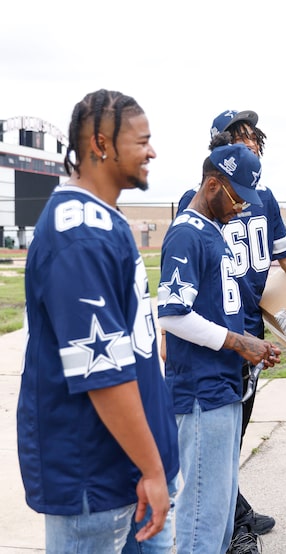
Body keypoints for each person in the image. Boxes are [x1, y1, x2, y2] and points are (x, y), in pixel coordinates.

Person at [17, 89, 179, 551]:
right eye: (141, 141)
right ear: (101, 145)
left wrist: (156, 466)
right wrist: (152, 469)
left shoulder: (102, 219)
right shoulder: (79, 233)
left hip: (132, 472)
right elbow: (101, 372)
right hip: (99, 477)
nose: (152, 151)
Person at [172, 109, 286, 551]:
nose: (251, 142)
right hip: (220, 334)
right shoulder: (196, 204)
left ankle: (234, 509)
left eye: (254, 136)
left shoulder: (262, 197)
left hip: (251, 327)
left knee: (236, 425)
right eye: (241, 135)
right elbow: (181, 292)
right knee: (217, 436)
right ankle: (233, 523)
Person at [157, 135, 281, 553]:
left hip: (225, 384)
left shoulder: (213, 230)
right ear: (213, 185)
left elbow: (216, 310)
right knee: (201, 519)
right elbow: (172, 314)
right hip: (200, 391)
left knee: (221, 511)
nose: (242, 206)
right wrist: (238, 342)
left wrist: (251, 346)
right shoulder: (186, 234)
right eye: (237, 197)